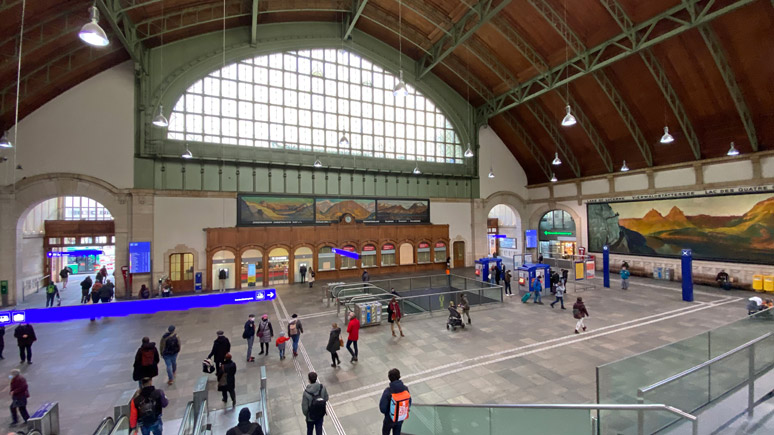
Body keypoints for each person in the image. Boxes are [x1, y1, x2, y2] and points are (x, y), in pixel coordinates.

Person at [379, 368, 411, 435]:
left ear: (389, 378)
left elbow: (382, 408)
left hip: (389, 419)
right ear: (399, 376)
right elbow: (409, 403)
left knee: (385, 432)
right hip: (400, 418)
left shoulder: (388, 391)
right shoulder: (405, 388)